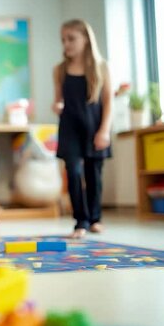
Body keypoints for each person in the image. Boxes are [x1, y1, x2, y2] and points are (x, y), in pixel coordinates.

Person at [52, 19, 112, 239]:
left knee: (93, 174)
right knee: (73, 172)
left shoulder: (101, 67)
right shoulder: (59, 70)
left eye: (71, 38)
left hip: (94, 126)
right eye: (63, 40)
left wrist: (104, 130)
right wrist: (56, 105)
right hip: (69, 127)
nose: (66, 44)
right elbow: (58, 100)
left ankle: (95, 219)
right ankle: (81, 221)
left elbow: (108, 102)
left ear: (86, 39)